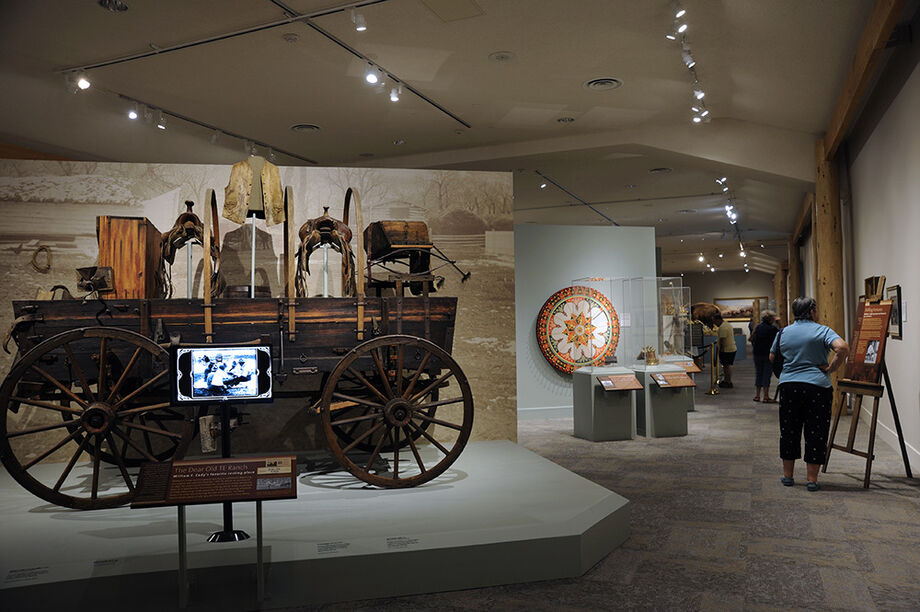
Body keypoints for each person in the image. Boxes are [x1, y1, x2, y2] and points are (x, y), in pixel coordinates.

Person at [770, 296, 848, 492]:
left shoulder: (783, 332)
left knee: (789, 430)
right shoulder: (822, 330)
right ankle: (811, 479)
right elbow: (842, 347)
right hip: (817, 387)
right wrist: (830, 368)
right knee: (816, 431)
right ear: (812, 311)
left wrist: (790, 367)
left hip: (789, 386)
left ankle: (788, 476)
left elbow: (772, 356)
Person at [750, 310, 779, 403]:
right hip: (768, 354)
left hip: (757, 353)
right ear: (771, 319)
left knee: (759, 373)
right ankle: (766, 396)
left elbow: (751, 338)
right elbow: (782, 335)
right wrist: (779, 323)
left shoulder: (758, 327)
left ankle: (757, 395)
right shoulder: (773, 329)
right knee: (766, 374)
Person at [714, 313, 736, 388]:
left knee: (727, 366)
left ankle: (728, 381)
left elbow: (723, 340)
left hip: (727, 350)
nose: (715, 324)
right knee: (727, 365)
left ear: (718, 320)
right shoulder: (727, 324)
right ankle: (727, 380)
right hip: (731, 348)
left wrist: (721, 350)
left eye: (715, 322)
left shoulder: (723, 327)